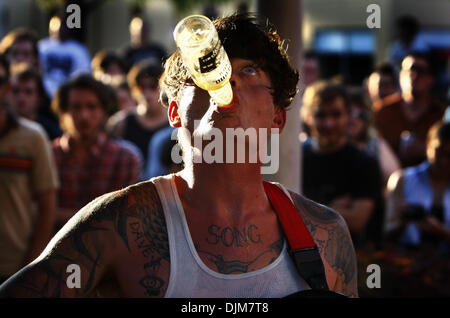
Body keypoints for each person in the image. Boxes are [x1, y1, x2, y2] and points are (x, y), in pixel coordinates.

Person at [0, 14, 357, 298]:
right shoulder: (118, 225)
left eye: (248, 70)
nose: (226, 80)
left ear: (277, 117)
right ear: (173, 111)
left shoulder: (323, 233)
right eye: (204, 71)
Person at [50, 74, 141, 230]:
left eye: (91, 107)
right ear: (64, 112)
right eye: (76, 107)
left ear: (104, 111)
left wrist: (60, 215)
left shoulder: (125, 158)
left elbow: (123, 217)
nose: (84, 116)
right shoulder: (49, 155)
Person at [301, 81, 384, 248]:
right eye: (321, 115)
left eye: (336, 115)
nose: (329, 124)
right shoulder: (295, 159)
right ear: (309, 117)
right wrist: (332, 209)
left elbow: (357, 221)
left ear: (348, 116)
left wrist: (304, 211)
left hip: (346, 256)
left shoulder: (364, 163)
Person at [0, 56, 58, 284]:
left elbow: (47, 205)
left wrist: (32, 267)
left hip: (12, 267)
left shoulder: (33, 137)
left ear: (6, 88)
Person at [385, 121, 450, 249]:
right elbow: (387, 232)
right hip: (406, 259)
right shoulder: (403, 179)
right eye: (439, 152)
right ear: (428, 146)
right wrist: (404, 220)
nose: (444, 161)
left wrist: (442, 232)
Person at [373, 53, 445, 168]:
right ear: (400, 76)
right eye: (408, 70)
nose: (413, 75)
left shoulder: (442, 115)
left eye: (420, 71)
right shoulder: (382, 111)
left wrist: (426, 150)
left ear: (431, 79)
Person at [107, 59, 168, 167]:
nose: (146, 93)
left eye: (153, 86)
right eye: (141, 87)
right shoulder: (121, 123)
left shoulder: (175, 123)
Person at [347, 90, 400, 186]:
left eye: (360, 114)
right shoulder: (327, 146)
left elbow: (395, 177)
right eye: (349, 113)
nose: (353, 119)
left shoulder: (375, 144)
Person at [39, 14, 91, 97]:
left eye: (63, 25)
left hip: (69, 94)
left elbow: (83, 73)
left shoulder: (78, 49)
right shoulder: (42, 46)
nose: (60, 28)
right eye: (57, 25)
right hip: (43, 92)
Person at [9, 67, 62, 140]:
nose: (21, 97)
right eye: (16, 91)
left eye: (28, 92)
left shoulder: (53, 134)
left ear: (39, 98)